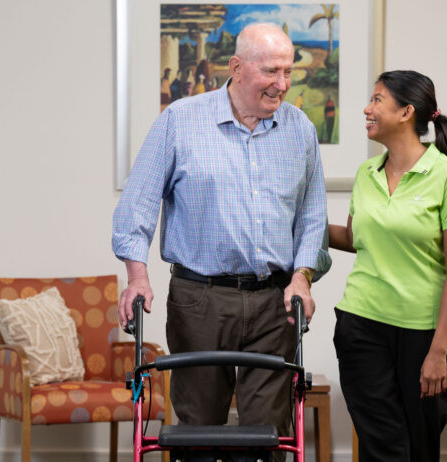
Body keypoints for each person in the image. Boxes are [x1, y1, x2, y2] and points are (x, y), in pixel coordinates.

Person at [112, 22, 331, 455]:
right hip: (200, 299)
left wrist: (302, 277)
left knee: (267, 430)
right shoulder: (180, 120)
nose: (282, 84)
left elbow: (312, 217)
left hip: (274, 302)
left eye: (288, 72)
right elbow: (137, 205)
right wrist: (137, 276)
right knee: (198, 425)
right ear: (236, 67)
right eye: (271, 71)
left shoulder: (300, 129)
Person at [329, 70, 447, 462]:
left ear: (407, 111)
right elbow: (354, 238)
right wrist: (303, 225)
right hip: (361, 324)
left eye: (377, 100)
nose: (367, 108)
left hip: (422, 333)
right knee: (381, 447)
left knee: (419, 448)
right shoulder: (367, 173)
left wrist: (438, 350)